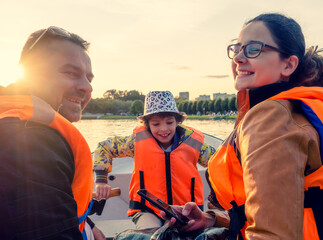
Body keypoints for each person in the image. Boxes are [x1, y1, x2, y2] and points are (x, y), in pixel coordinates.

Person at [161, 13, 323, 239]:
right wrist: (211, 219)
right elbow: (281, 210)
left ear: (289, 64)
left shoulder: (272, 116)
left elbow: (273, 233)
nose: (238, 58)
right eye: (237, 48)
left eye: (253, 49)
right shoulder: (302, 108)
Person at [0, 26, 104, 240]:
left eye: (89, 79)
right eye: (70, 73)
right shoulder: (29, 139)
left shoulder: (25, 126)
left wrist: (89, 225)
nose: (87, 87)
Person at [93, 90, 216, 230]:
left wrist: (216, 194)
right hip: (147, 210)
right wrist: (101, 181)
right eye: (156, 124)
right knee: (150, 233)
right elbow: (105, 148)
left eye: (169, 122)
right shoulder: (135, 142)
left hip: (187, 211)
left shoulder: (194, 144)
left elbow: (219, 162)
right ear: (147, 125)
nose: (163, 129)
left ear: (177, 122)